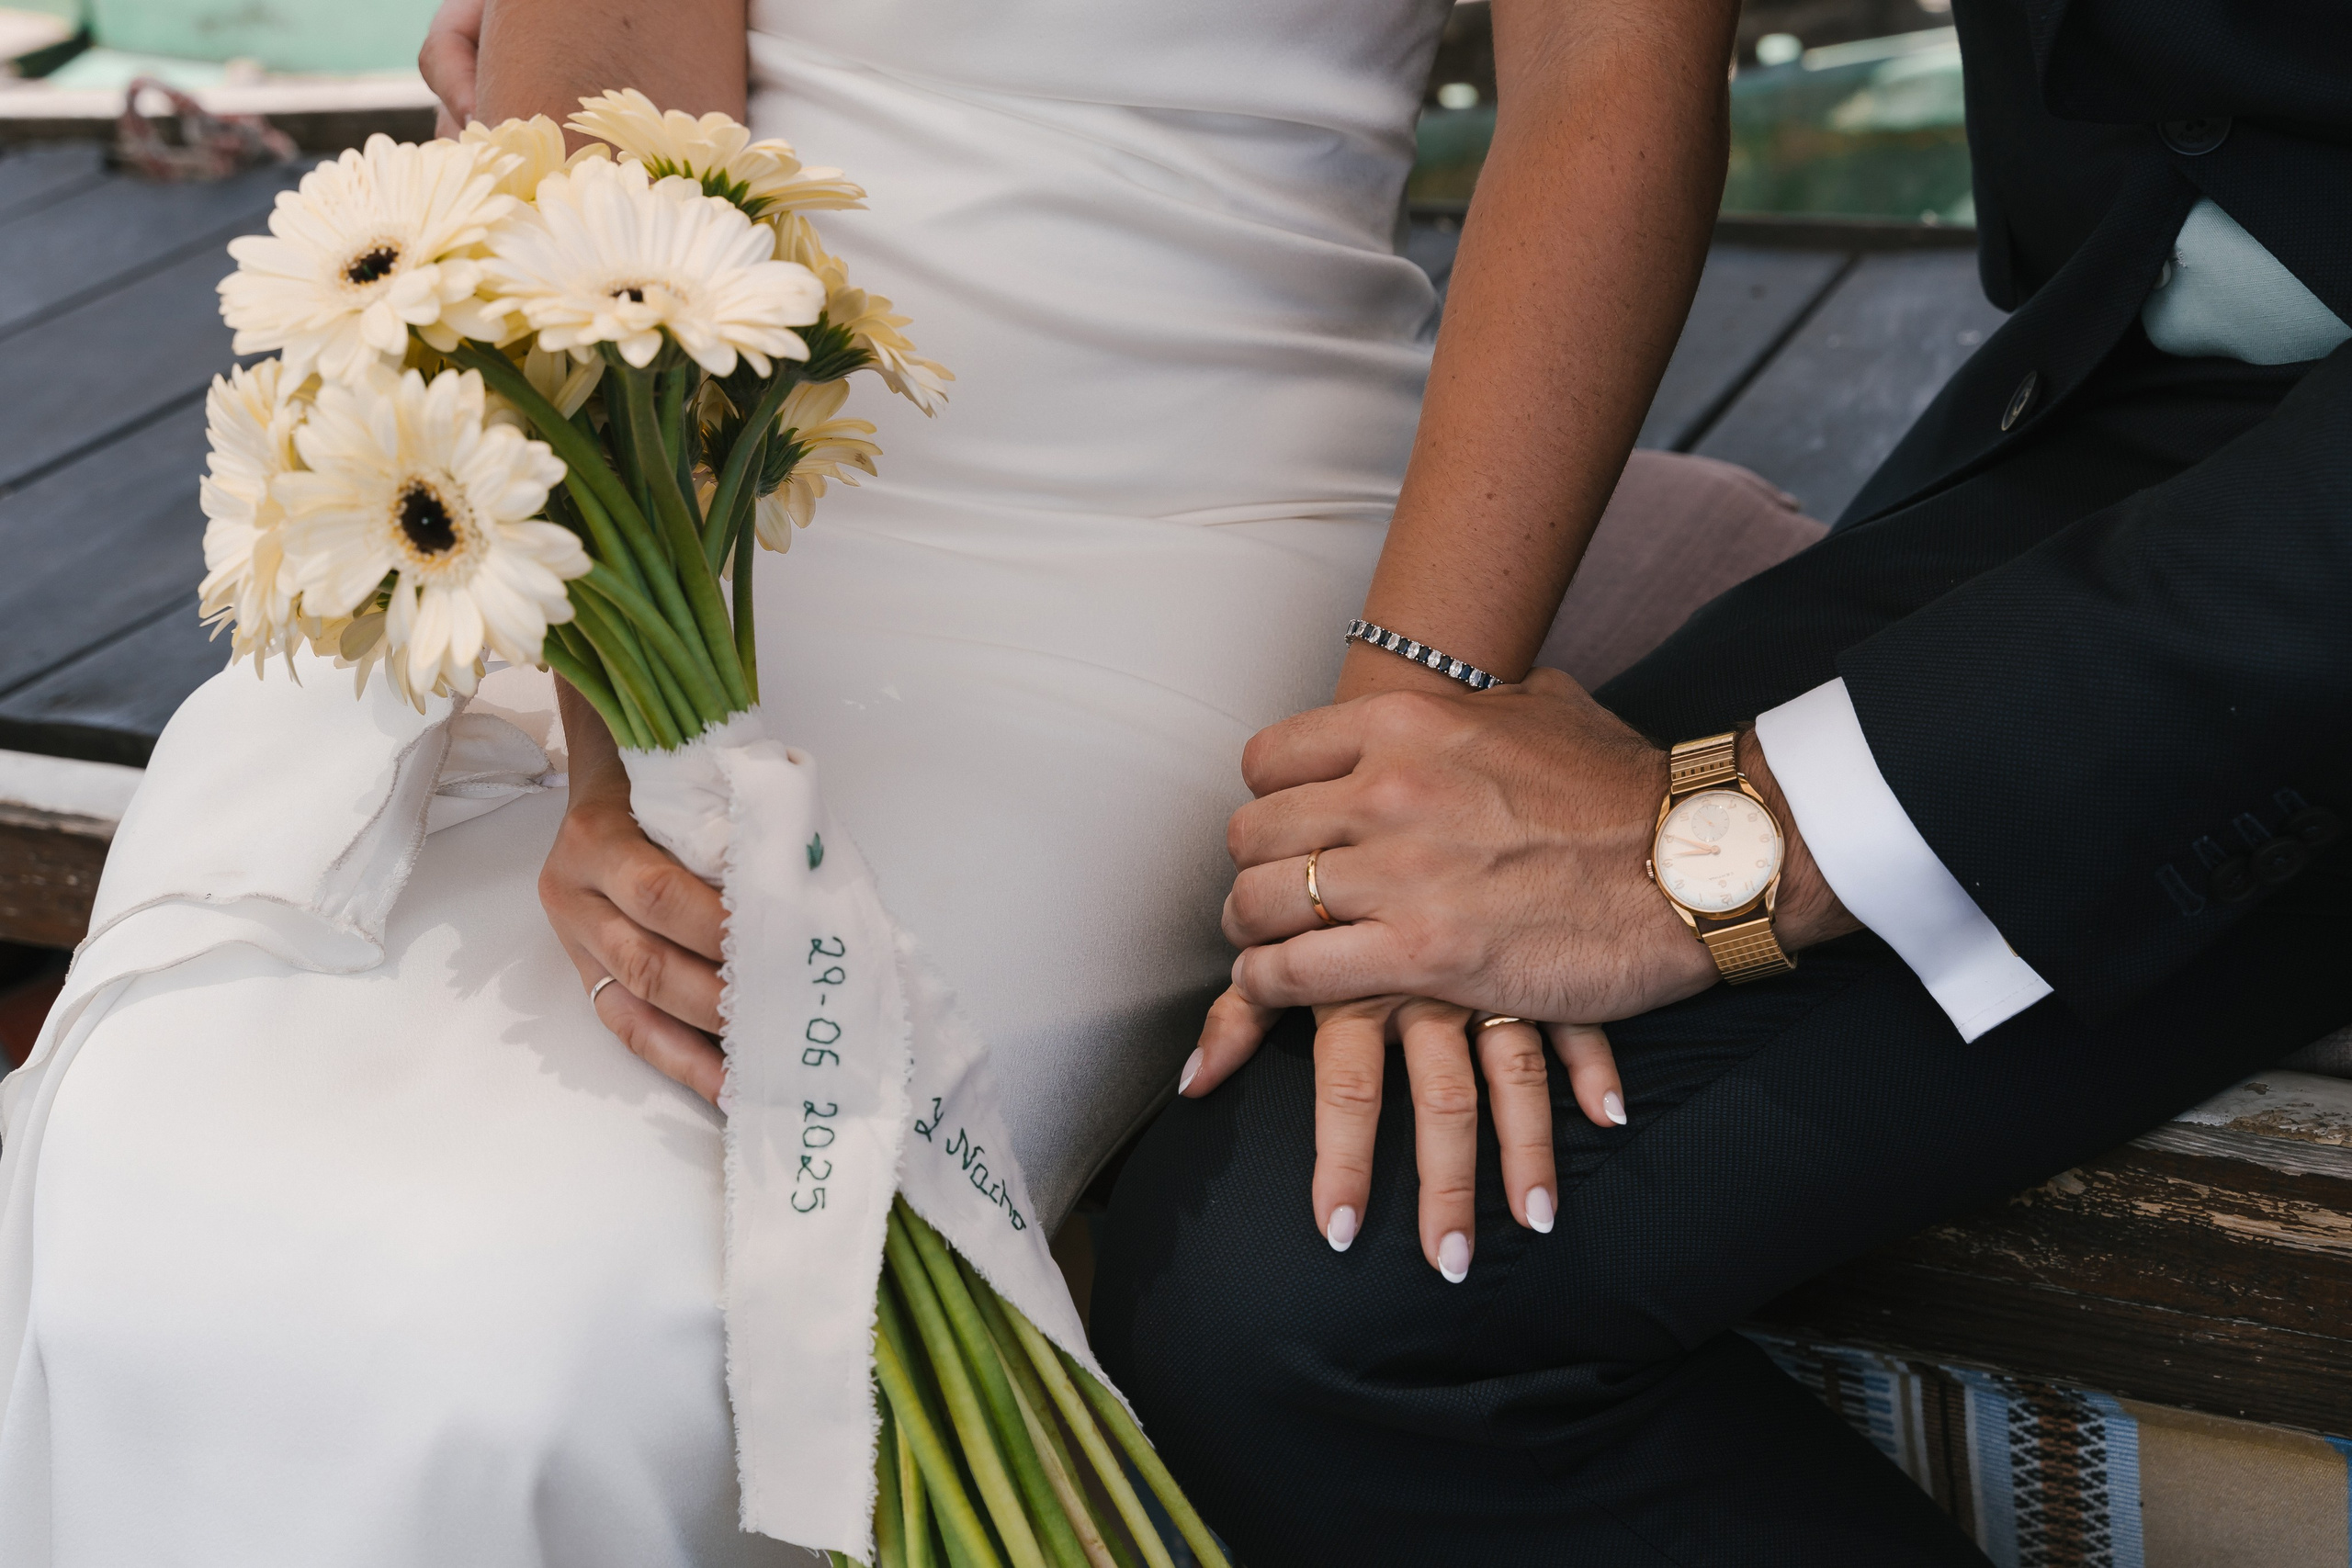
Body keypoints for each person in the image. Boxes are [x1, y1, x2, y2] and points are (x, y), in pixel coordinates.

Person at [0, 1, 1829, 1562]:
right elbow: (611, 50)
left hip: (1180, 501)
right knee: (180, 1179)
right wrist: (617, 699)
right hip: (667, 436)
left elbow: (1607, 83)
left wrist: (1410, 738)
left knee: (583, 1301)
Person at [1091, 2, 2352, 1563]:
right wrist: (1410, 794)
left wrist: (1727, 841)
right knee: (1287, 1265)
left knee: (1321, 1306)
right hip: (2144, 387)